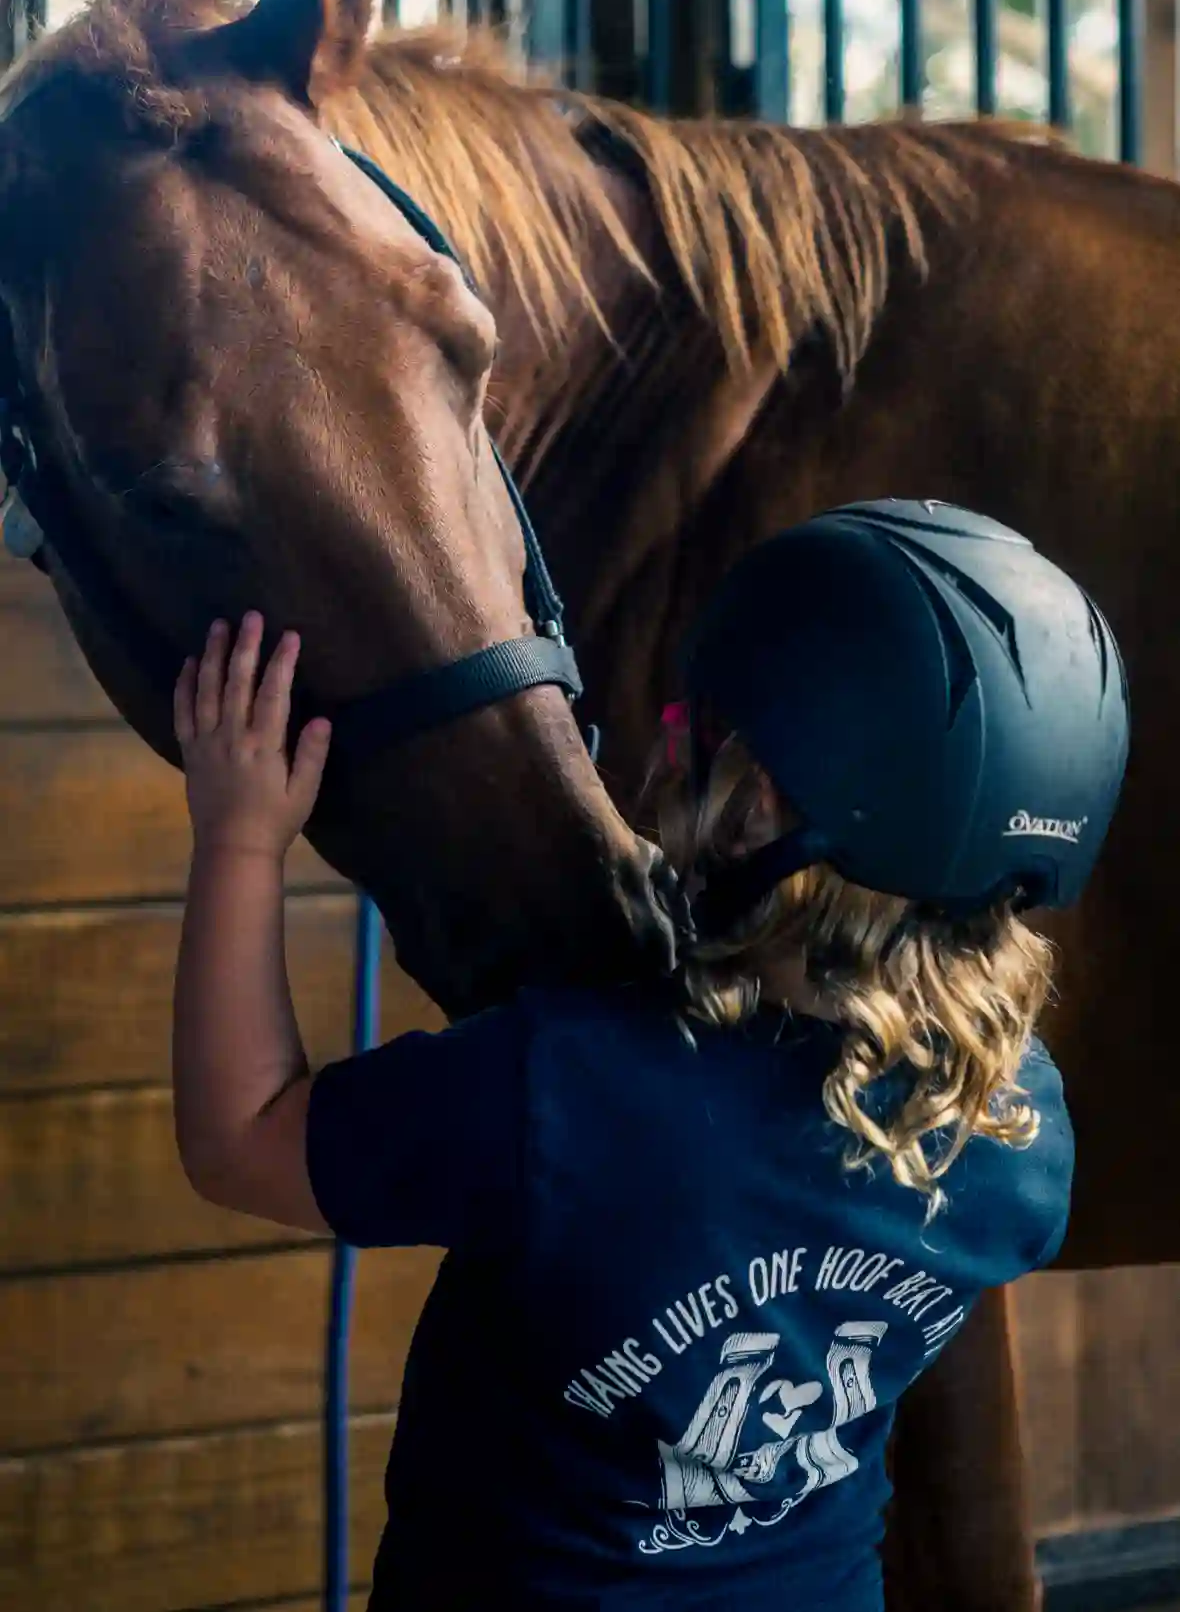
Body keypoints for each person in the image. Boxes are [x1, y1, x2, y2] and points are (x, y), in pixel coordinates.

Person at [171, 499, 1129, 1611]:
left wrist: (238, 834)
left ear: (755, 808)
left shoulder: (569, 1092)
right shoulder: (1021, 1132)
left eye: (702, 732)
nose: (674, 741)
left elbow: (240, 1140)